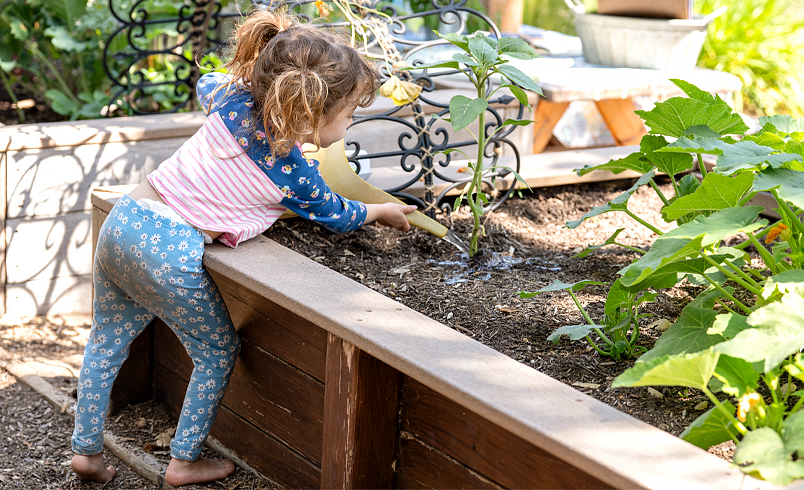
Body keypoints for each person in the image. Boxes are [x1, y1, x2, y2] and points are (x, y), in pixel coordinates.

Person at [70, 8, 416, 487]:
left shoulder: (230, 97)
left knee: (105, 341)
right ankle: (183, 461)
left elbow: (206, 82)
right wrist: (382, 210)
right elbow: (337, 214)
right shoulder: (293, 172)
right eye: (350, 114)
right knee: (215, 350)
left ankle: (86, 451)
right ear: (311, 114)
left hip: (125, 221)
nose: (352, 122)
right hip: (168, 247)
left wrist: (257, 82)